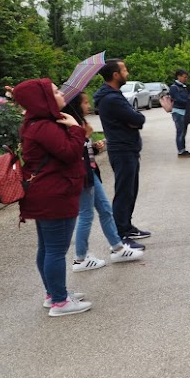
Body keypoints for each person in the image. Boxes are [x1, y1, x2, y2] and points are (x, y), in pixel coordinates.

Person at [14, 78, 91, 316]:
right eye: (56, 92)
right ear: (43, 99)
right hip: (55, 194)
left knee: (47, 248)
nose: (61, 95)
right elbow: (69, 153)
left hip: (46, 192)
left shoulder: (36, 123)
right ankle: (59, 301)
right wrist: (76, 129)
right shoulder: (44, 127)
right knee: (56, 250)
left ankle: (54, 293)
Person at [65, 93, 144, 271]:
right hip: (81, 175)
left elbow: (83, 150)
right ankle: (80, 258)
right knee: (86, 214)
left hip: (90, 172)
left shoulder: (79, 124)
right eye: (85, 102)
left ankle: (118, 248)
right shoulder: (69, 124)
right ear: (75, 106)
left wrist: (92, 146)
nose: (88, 105)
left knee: (106, 210)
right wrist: (84, 137)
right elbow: (70, 152)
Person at [93, 59, 151, 242]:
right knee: (124, 191)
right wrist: (135, 120)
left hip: (127, 148)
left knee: (130, 190)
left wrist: (134, 120)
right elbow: (137, 119)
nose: (128, 73)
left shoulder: (114, 95)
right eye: (124, 70)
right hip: (123, 150)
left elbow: (134, 119)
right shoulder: (111, 99)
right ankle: (121, 231)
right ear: (115, 75)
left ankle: (126, 226)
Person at [169, 69, 190, 157]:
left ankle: (183, 149)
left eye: (187, 77)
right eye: (184, 77)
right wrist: (188, 101)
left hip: (184, 112)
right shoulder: (174, 87)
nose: (186, 79)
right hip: (178, 112)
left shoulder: (184, 86)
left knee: (183, 132)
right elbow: (178, 99)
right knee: (180, 132)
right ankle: (181, 150)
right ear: (178, 76)